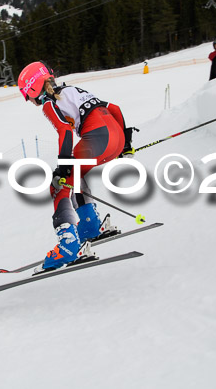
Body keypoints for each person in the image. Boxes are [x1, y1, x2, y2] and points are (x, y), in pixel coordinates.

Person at [17, 61, 135, 272]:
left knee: (59, 186)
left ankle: (68, 246)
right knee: (75, 177)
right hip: (113, 137)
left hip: (97, 139)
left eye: (27, 95)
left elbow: (65, 131)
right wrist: (125, 144)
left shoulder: (48, 102)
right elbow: (114, 108)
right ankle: (89, 225)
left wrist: (63, 165)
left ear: (34, 89)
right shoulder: (72, 90)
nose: (30, 100)